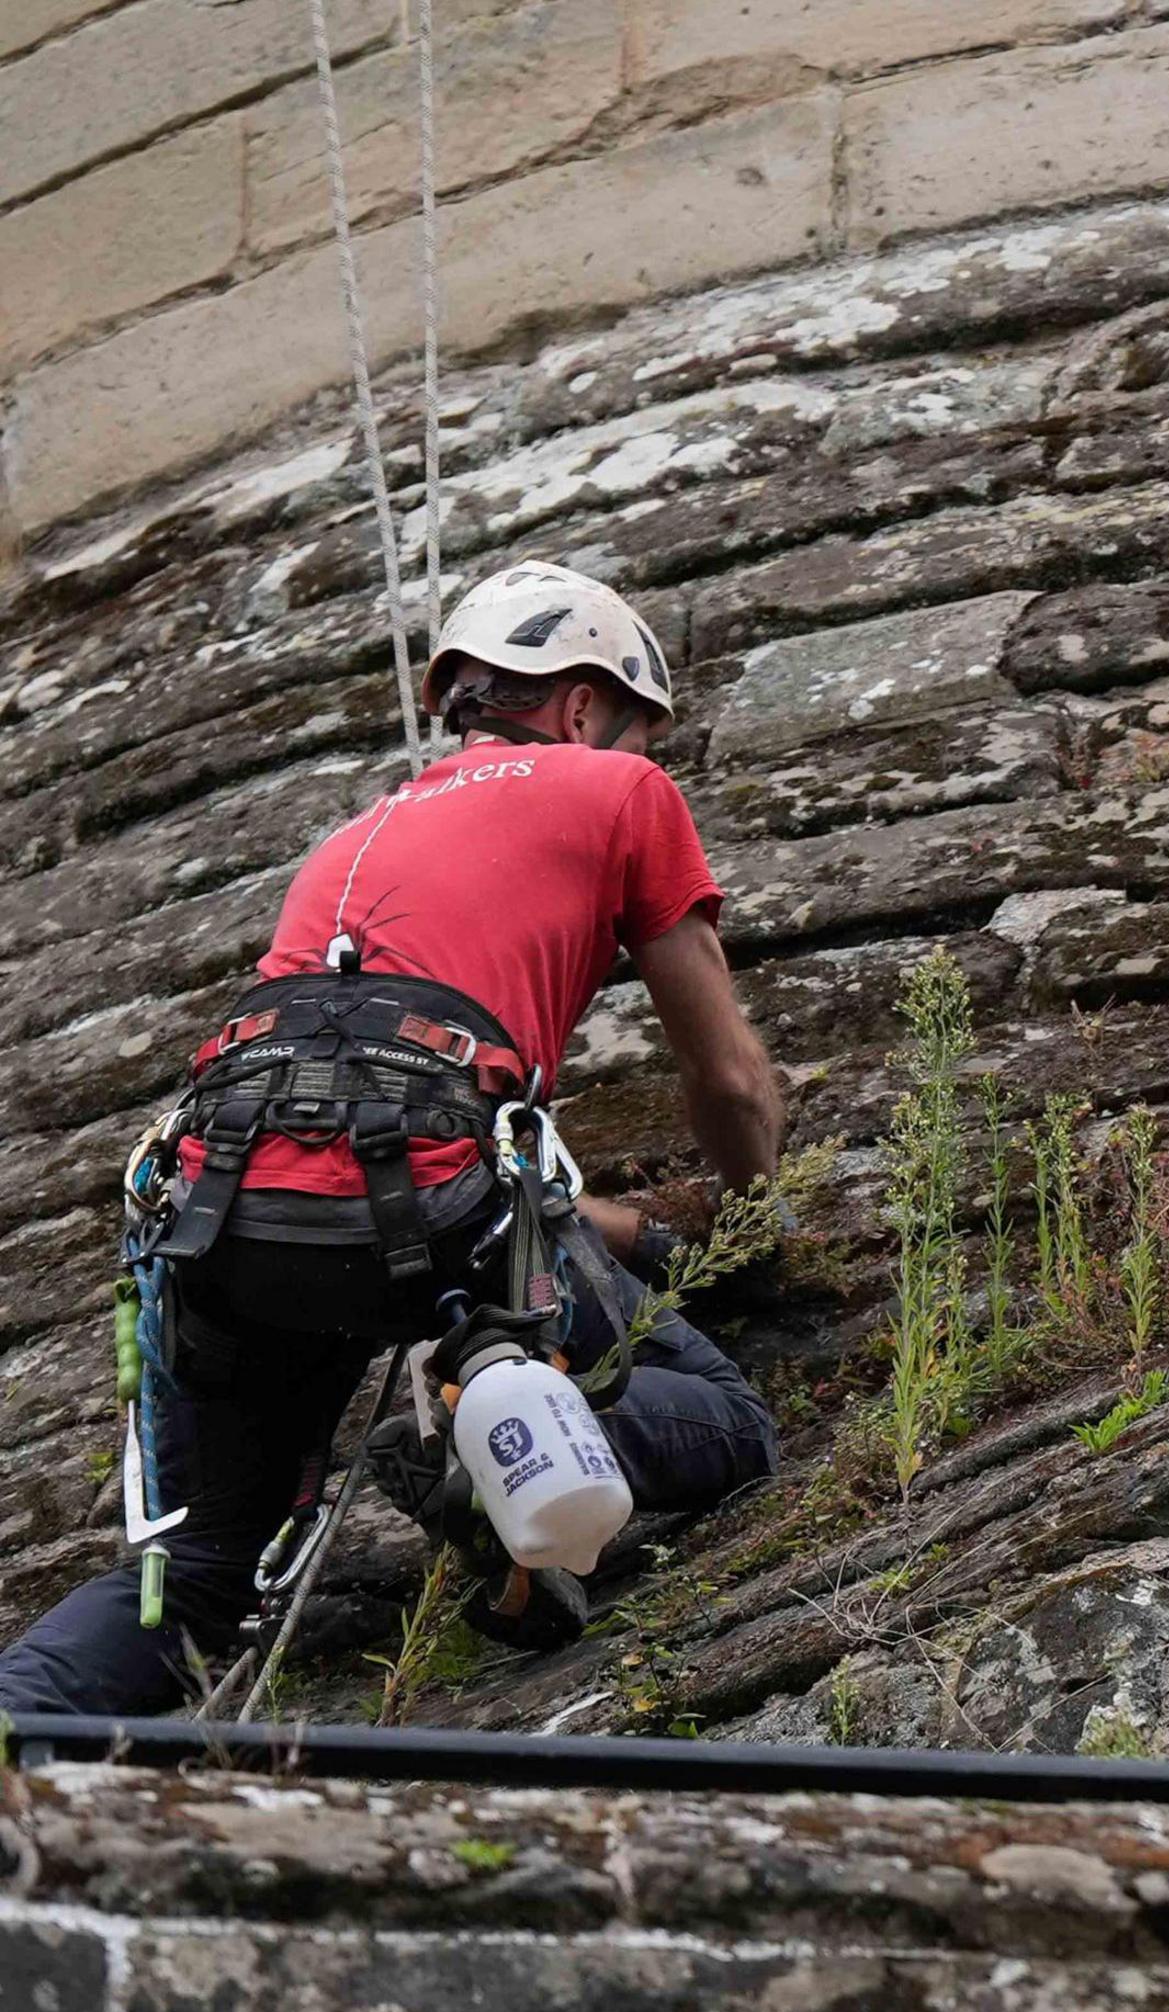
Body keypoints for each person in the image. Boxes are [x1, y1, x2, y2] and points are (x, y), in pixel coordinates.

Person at [0, 562, 785, 1716]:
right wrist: (756, 1213)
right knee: (731, 1420)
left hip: (220, 1210)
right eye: (634, 731)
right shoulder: (616, 789)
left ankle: (20, 1725)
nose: (639, 756)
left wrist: (630, 1230)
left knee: (207, 1568)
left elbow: (363, 1137)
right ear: (580, 704)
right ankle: (487, 1431)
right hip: (430, 1196)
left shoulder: (347, 841)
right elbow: (727, 1078)